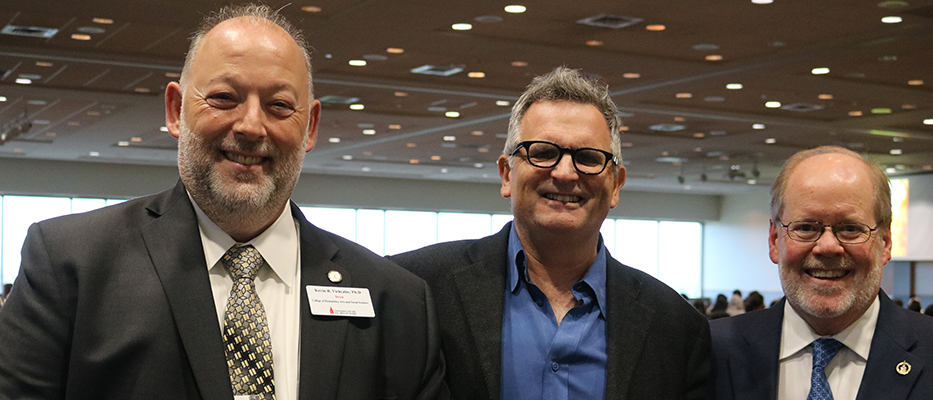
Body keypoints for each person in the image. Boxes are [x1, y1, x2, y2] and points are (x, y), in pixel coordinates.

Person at [0, 5, 446, 400]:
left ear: (310, 127)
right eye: (223, 98)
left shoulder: (395, 299)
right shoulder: (71, 264)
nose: (252, 125)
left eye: (278, 105)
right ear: (176, 110)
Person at [389, 67, 711, 400]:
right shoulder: (416, 288)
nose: (565, 173)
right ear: (506, 174)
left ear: (615, 184)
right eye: (543, 152)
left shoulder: (676, 326)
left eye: (588, 157)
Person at [710, 146, 933, 399]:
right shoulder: (710, 350)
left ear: (886, 242)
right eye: (805, 227)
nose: (828, 247)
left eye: (851, 228)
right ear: (775, 240)